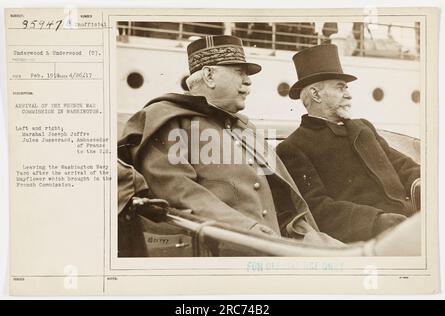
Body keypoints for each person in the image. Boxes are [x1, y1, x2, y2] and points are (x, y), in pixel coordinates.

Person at [118, 35, 341, 246]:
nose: (248, 82)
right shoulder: (169, 121)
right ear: (209, 76)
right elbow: (179, 193)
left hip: (275, 248)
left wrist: (314, 240)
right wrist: (247, 228)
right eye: (239, 72)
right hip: (227, 251)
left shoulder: (245, 129)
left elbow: (284, 202)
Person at [276, 44, 420, 243]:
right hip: (373, 238)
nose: (349, 95)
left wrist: (425, 186)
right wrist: (377, 222)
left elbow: (402, 165)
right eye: (340, 87)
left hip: (414, 222)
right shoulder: (293, 147)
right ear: (316, 94)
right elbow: (317, 208)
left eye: (347, 88)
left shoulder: (363, 127)